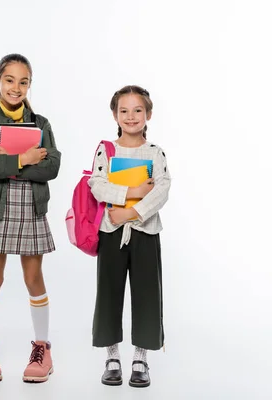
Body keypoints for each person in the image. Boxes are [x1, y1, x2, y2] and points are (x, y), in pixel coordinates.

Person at [0, 53, 61, 383]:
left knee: (33, 278)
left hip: (31, 209)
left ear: (29, 85)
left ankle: (42, 347)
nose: (16, 87)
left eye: (24, 81)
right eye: (10, 80)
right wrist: (24, 158)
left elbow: (51, 167)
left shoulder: (42, 124)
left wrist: (7, 162)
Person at [88, 85, 171, 388]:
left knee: (147, 293)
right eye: (124, 110)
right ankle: (111, 357)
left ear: (148, 114)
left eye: (138, 110)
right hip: (111, 232)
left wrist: (130, 213)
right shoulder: (106, 151)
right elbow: (97, 184)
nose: (131, 116)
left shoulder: (155, 152)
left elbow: (161, 190)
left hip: (145, 232)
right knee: (109, 291)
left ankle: (141, 357)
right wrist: (132, 193)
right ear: (115, 114)